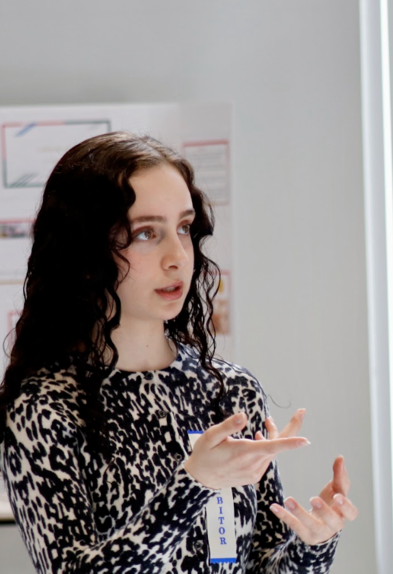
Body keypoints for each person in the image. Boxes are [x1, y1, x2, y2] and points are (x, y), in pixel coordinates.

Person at [0, 132, 358, 573]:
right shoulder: (45, 406)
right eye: (147, 233)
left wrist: (313, 544)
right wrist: (195, 484)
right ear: (85, 251)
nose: (177, 257)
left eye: (184, 228)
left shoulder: (232, 390)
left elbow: (261, 564)